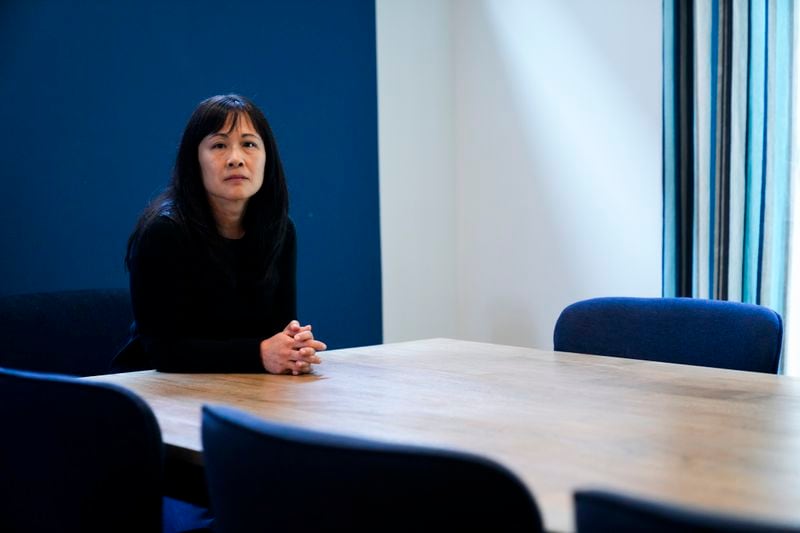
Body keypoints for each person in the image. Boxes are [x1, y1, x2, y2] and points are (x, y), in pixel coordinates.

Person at [113, 94, 325, 374]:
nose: (236, 159)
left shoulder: (280, 231)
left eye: (249, 144)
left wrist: (293, 347)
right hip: (157, 394)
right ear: (195, 160)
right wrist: (261, 354)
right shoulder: (164, 232)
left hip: (241, 386)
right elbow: (164, 352)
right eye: (219, 145)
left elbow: (279, 330)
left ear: (267, 158)